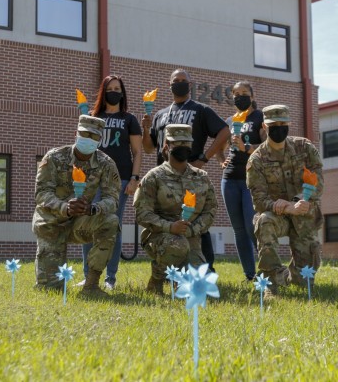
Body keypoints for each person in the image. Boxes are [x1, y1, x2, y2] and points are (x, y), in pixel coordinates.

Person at [141, 68, 230, 272]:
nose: (179, 83)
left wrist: (204, 158)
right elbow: (148, 147)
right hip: (164, 178)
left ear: (190, 86)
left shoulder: (201, 109)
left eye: (183, 81)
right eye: (176, 80)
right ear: (169, 84)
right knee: (165, 220)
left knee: (196, 222)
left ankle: (206, 270)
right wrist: (146, 129)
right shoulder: (160, 114)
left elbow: (224, 131)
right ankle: (166, 269)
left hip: (191, 176)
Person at [32, 115, 120, 296]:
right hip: (51, 224)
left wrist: (93, 208)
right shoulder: (55, 157)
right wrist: (65, 207)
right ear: (76, 134)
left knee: (111, 221)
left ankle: (91, 285)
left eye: (94, 137)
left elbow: (112, 199)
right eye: (84, 134)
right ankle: (49, 279)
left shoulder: (106, 164)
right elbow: (41, 193)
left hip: (79, 223)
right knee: (51, 290)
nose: (88, 139)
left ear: (100, 140)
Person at [246, 105, 324, 298]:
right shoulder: (256, 160)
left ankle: (286, 276)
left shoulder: (304, 148)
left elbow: (319, 180)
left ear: (289, 123)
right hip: (278, 215)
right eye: (274, 125)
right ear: (264, 126)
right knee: (264, 221)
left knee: (302, 281)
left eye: (283, 124)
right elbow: (259, 200)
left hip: (304, 214)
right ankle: (269, 281)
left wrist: (301, 200)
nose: (279, 128)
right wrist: (282, 206)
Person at [134, 124, 217, 294]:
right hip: (159, 237)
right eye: (177, 144)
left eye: (186, 144)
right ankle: (156, 281)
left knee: (204, 290)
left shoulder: (201, 177)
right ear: (166, 146)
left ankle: (179, 279)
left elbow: (211, 210)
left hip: (191, 239)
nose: (182, 148)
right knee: (177, 246)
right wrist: (170, 227)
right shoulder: (154, 177)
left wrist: (192, 229)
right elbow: (142, 213)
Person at [79, 75, 142, 290]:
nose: (114, 91)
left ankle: (110, 278)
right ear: (103, 92)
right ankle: (88, 275)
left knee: (113, 226)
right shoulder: (93, 116)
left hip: (120, 179)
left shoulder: (129, 119)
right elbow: (82, 149)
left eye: (118, 88)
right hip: (93, 179)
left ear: (122, 93)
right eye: (110, 88)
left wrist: (134, 178)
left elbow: (137, 152)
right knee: (89, 224)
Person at [221, 81, 265, 281]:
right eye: (236, 94)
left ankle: (269, 267)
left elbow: (267, 149)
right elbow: (219, 144)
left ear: (252, 96)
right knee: (238, 230)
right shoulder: (229, 121)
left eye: (245, 93)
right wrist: (222, 160)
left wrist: (246, 148)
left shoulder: (260, 117)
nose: (240, 97)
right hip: (229, 179)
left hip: (251, 178)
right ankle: (250, 275)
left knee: (250, 225)